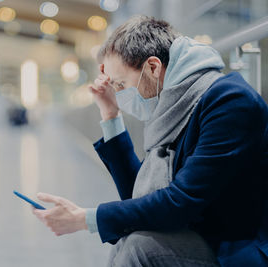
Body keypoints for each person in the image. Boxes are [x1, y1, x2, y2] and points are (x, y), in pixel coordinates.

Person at [32, 15, 268, 266]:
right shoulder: (172, 108)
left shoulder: (228, 102)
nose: (119, 93)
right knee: (132, 236)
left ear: (153, 67)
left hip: (236, 249)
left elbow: (181, 202)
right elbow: (138, 196)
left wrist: (87, 219)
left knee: (139, 246)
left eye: (121, 84)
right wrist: (111, 115)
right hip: (203, 236)